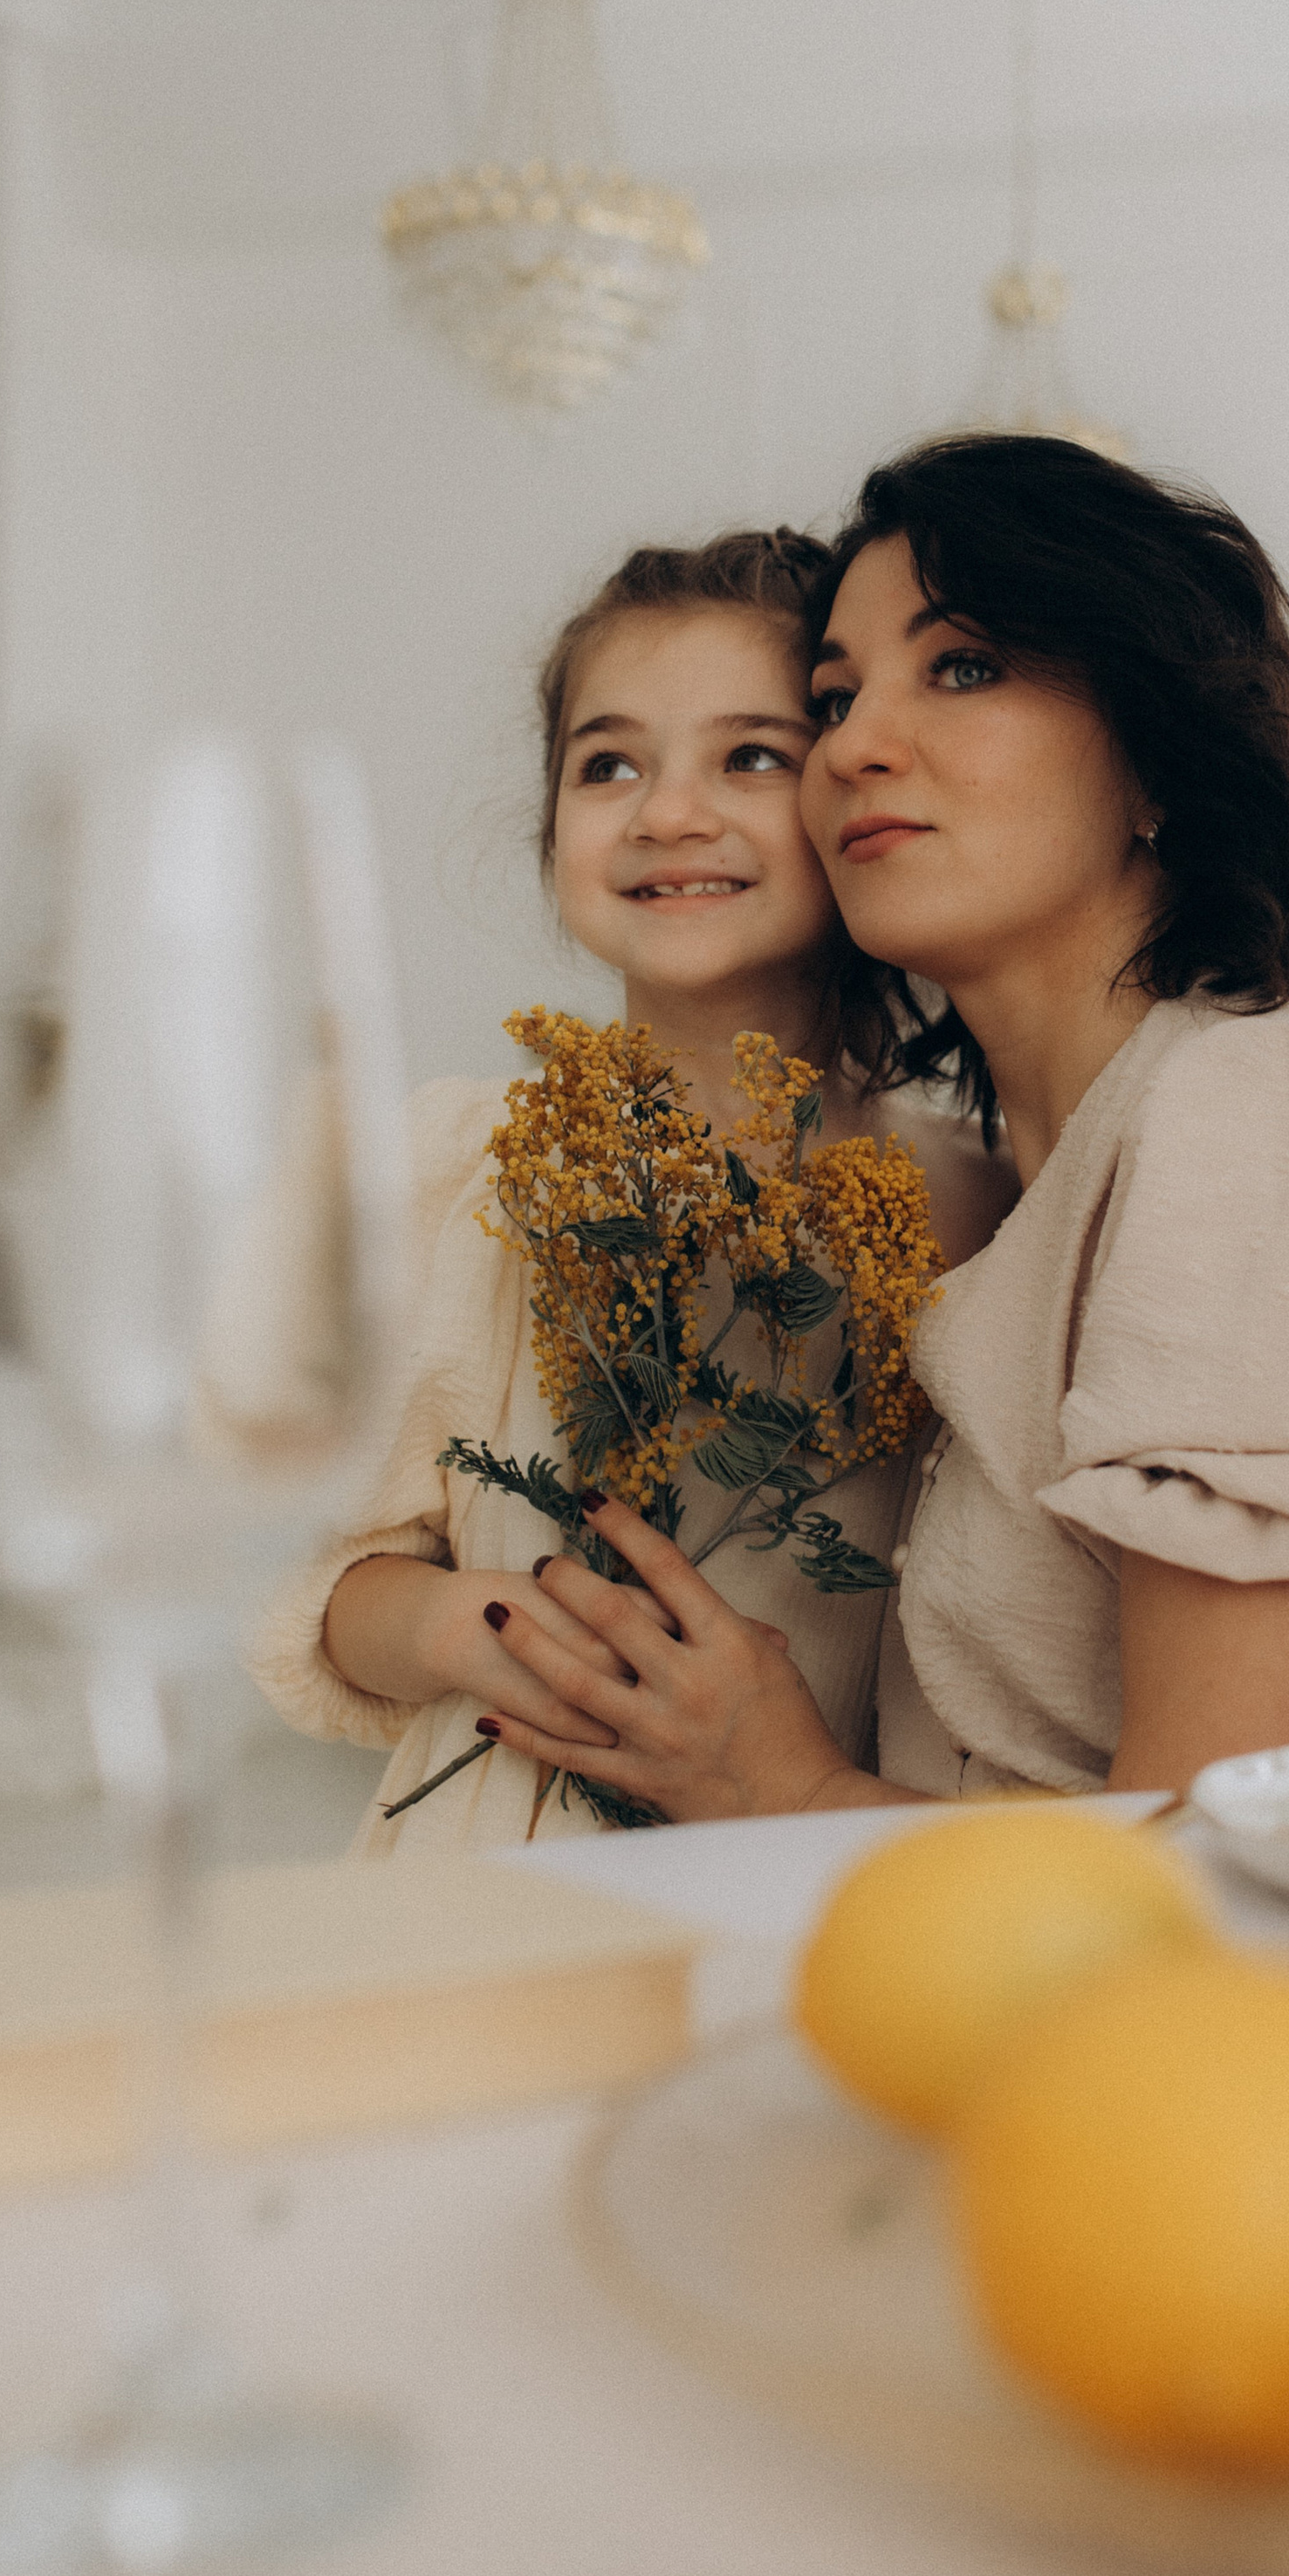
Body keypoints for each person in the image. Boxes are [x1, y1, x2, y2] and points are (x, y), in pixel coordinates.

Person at [486, 435, 1289, 1816]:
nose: (854, 746)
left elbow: (1215, 1856)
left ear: (1155, 760)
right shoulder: (1001, 1198)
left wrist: (775, 1779)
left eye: (964, 666)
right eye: (834, 697)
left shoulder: (1239, 1105)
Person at [248, 529, 1013, 1853]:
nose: (667, 814)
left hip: (810, 1879)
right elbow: (312, 1584)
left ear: (855, 791)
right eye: (608, 764)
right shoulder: (458, 1174)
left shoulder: (974, 1198)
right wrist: (460, 1627)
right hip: (485, 1885)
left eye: (751, 756)